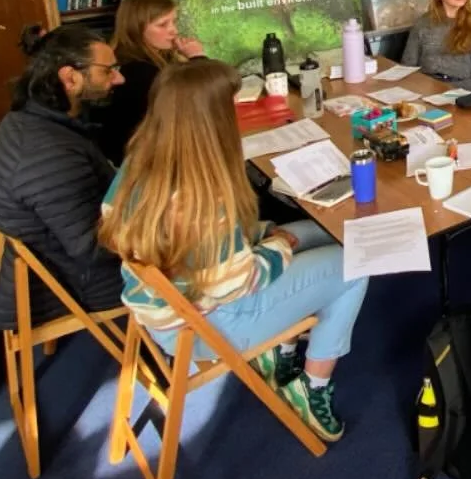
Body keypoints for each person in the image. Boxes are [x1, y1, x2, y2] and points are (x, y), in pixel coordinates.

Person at [100, 60, 367, 442]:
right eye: (231, 104)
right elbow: (243, 280)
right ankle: (312, 385)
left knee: (325, 232)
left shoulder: (139, 161)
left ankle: (284, 350)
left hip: (166, 305)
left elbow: (181, 243)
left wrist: (262, 235)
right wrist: (277, 245)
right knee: (357, 261)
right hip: (210, 324)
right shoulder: (200, 193)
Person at [0, 25, 126, 330]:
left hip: (57, 259)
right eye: (108, 71)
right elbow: (94, 247)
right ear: (70, 78)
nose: (119, 78)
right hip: (80, 283)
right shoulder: (48, 157)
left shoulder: (30, 118)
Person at [97, 0, 206, 164]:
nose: (174, 31)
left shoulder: (161, 57)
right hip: (140, 162)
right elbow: (200, 99)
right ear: (137, 29)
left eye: (174, 22)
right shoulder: (137, 71)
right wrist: (197, 58)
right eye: (163, 25)